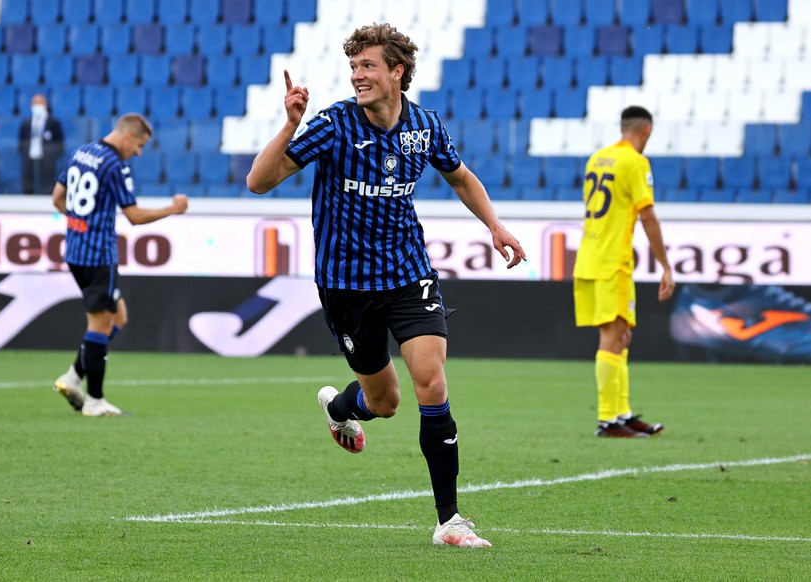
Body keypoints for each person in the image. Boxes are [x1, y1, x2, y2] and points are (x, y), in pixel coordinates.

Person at [246, 23, 526, 547]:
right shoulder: (332, 124)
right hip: (346, 286)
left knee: (432, 383)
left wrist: (495, 224)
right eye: (354, 68)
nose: (358, 76)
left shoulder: (424, 126)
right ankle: (340, 410)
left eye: (368, 66)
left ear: (397, 72)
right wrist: (289, 124)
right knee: (385, 401)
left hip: (407, 274)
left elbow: (461, 177)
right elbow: (259, 181)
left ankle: (449, 521)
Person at [51, 113, 188, 417]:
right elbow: (135, 216)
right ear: (128, 136)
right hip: (98, 256)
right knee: (100, 325)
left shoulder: (81, 152)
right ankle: (95, 400)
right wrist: (173, 209)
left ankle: (74, 376)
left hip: (74, 250)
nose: (138, 152)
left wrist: (80, 223)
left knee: (118, 318)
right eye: (139, 145)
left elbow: (58, 199)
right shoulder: (115, 165)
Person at [572, 105, 675, 438]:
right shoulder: (635, 162)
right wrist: (665, 266)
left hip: (590, 255)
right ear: (646, 130)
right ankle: (608, 419)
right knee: (613, 337)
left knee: (621, 336)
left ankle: (622, 414)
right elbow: (648, 217)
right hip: (612, 261)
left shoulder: (597, 158)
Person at [19, 93, 64, 195]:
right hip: (29, 157)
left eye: (40, 103)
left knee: (47, 182)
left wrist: (52, 154)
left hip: (47, 158)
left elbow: (59, 142)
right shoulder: (26, 123)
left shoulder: (54, 123)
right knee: (28, 181)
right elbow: (21, 142)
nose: (38, 105)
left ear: (46, 105)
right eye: (35, 103)